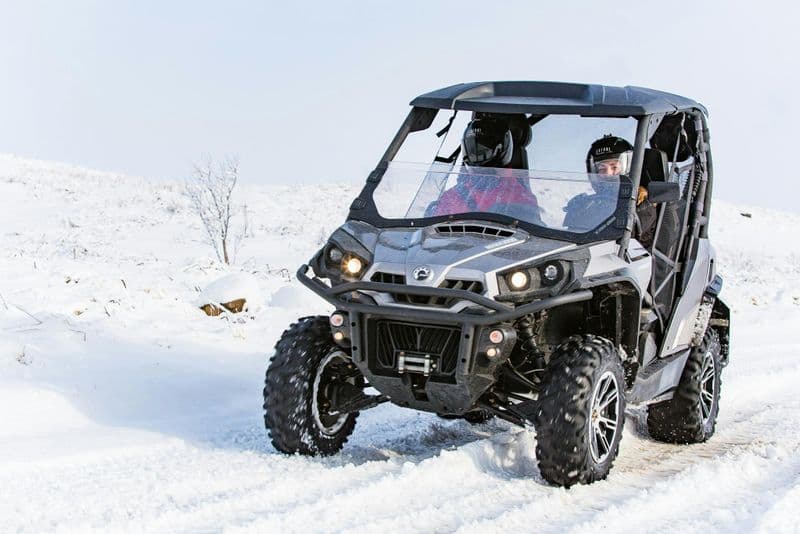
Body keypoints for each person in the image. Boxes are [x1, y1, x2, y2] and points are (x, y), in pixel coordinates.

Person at [429, 116, 541, 223]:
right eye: (472, 150)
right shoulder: (453, 196)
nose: (476, 156)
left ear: (501, 150)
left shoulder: (519, 196)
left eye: (484, 151)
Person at [564, 135, 656, 247]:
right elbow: (569, 238)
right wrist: (577, 209)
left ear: (628, 168)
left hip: (625, 260)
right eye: (601, 169)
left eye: (614, 167)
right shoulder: (586, 204)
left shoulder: (641, 203)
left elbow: (623, 235)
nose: (607, 174)